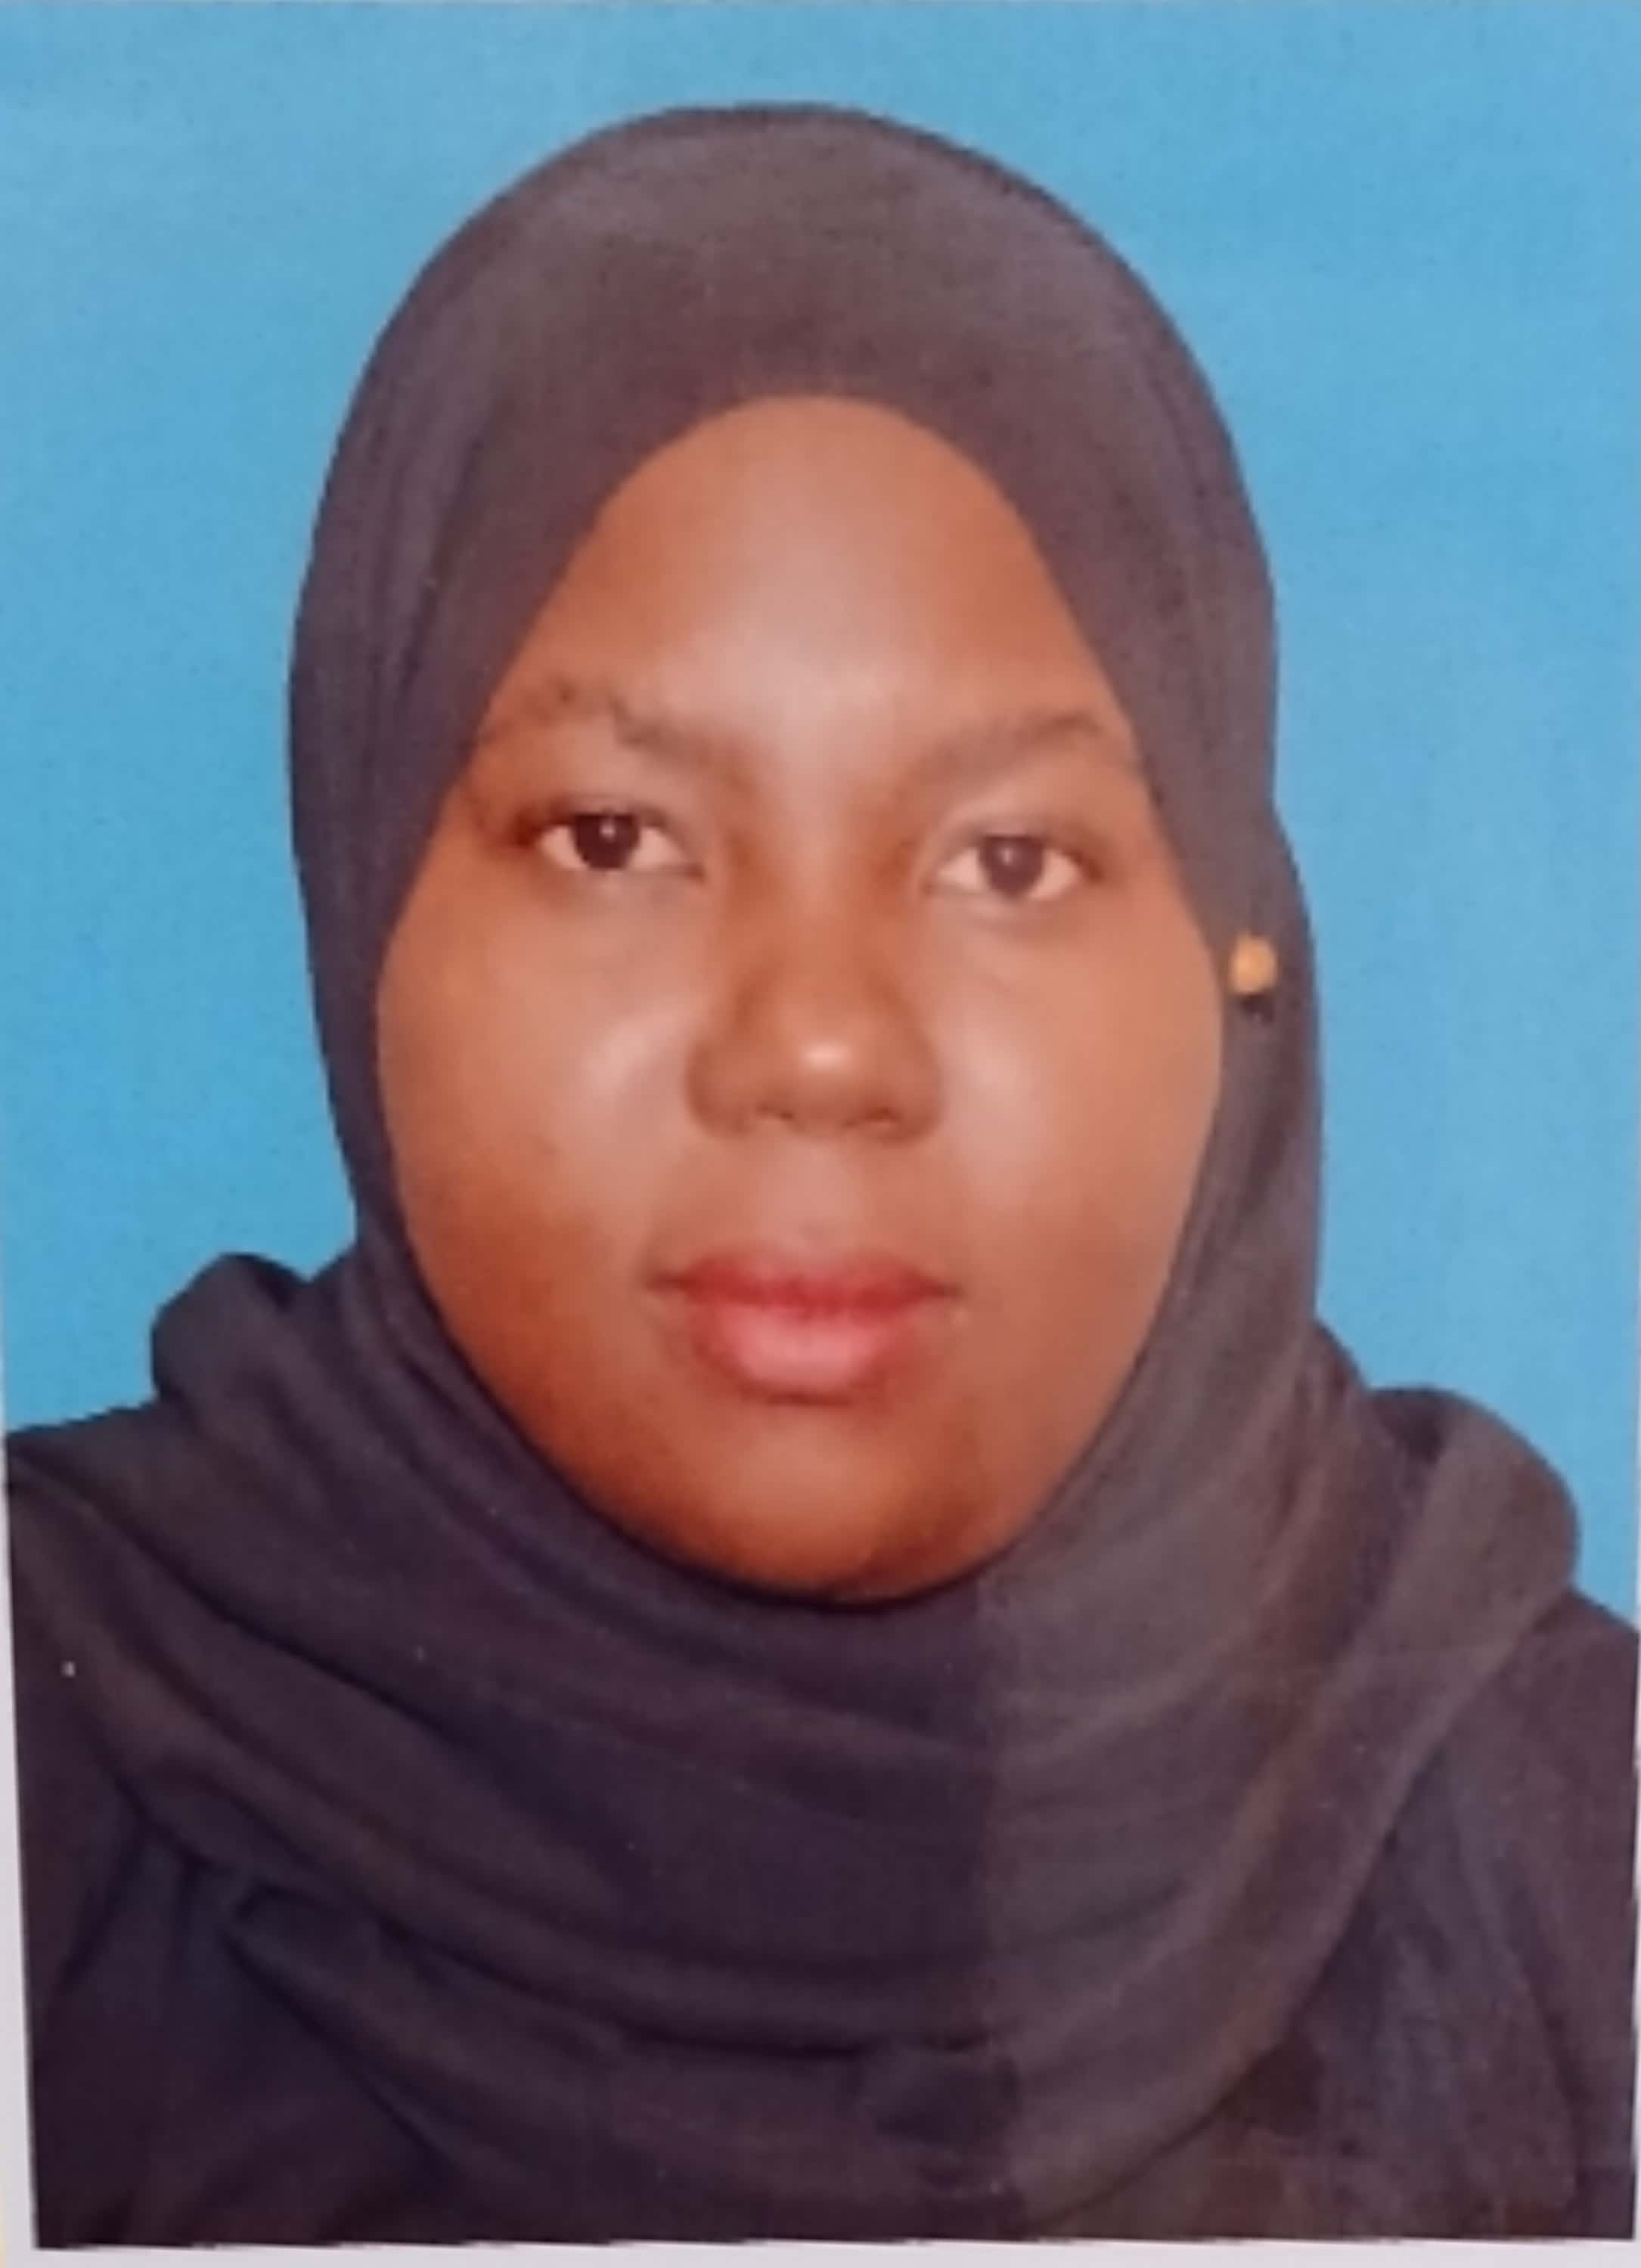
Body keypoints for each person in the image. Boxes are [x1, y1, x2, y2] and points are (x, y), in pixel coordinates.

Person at [5, 103, 1634, 2244]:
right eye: (614, 840)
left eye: (1005, 859)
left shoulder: (1569, 1842)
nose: (817, 1048)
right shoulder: (55, 1753)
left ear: (1234, 943)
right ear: (365, 884)